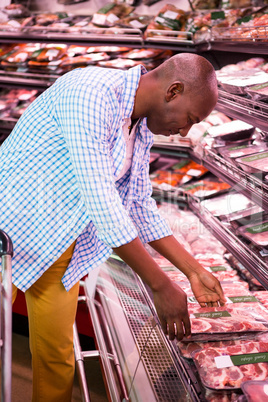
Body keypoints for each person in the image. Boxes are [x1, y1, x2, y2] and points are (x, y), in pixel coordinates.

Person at [0, 52, 225, 401]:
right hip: (8, 232)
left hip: (57, 243)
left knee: (57, 358)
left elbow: (136, 204)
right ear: (173, 91)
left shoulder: (138, 124)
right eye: (190, 119)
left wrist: (193, 270)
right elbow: (102, 200)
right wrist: (160, 285)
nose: (184, 131)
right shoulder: (91, 92)